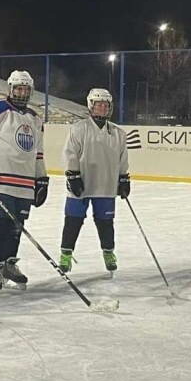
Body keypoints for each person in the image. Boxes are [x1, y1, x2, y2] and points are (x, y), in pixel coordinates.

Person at [0, 70, 48, 290]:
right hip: (1, 180)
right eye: (18, 89)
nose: (22, 93)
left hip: (25, 183)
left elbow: (38, 153)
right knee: (1, 224)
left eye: (26, 89)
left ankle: (9, 265)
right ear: (10, 89)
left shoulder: (35, 118)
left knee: (17, 226)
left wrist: (41, 178)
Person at [59, 88, 130, 274]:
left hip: (106, 185)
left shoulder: (118, 133)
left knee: (106, 223)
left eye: (105, 105)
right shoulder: (79, 129)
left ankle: (109, 253)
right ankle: (65, 255)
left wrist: (123, 178)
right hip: (81, 184)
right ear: (91, 106)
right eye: (99, 105)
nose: (102, 108)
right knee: (73, 221)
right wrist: (73, 175)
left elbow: (123, 159)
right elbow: (70, 153)